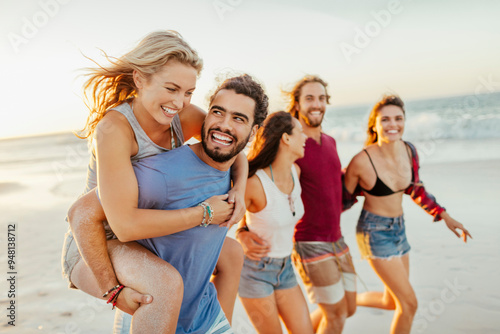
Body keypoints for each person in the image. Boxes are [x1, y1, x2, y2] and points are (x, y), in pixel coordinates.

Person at [61, 31, 248, 333]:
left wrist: (239, 189)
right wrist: (112, 290)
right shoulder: (114, 130)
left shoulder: (182, 117)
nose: (179, 102)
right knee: (165, 284)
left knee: (231, 253)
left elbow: (229, 145)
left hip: (144, 240)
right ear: (139, 79)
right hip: (99, 242)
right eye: (171, 88)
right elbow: (123, 226)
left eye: (188, 92)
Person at [237, 75, 357, 334]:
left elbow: (329, 191)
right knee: (329, 316)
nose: (317, 104)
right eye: (310, 98)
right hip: (273, 262)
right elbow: (238, 214)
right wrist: (241, 235)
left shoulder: (308, 162)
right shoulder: (267, 173)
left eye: (322, 98)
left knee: (324, 321)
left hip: (298, 260)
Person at [344, 94, 472, 334]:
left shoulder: (409, 150)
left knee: (391, 301)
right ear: (375, 124)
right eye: (386, 120)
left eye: (398, 119)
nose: (393, 125)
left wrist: (445, 216)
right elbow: (340, 201)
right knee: (409, 304)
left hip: (399, 229)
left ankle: (345, 301)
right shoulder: (361, 161)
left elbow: (416, 189)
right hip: (374, 233)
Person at [235, 111, 312, 333]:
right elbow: (222, 227)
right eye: (300, 132)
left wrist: (242, 231)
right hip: (255, 272)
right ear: (286, 138)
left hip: (286, 267)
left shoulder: (295, 172)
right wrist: (241, 237)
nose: (305, 138)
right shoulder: (254, 183)